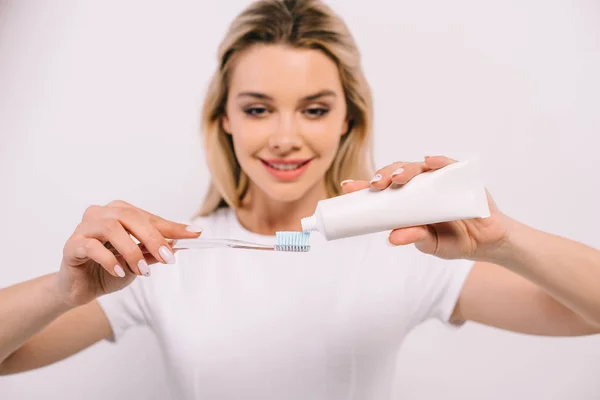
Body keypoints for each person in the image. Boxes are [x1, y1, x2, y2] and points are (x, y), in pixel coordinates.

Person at [1, 0, 599, 398]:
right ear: (226, 119)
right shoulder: (163, 257)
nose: (286, 137)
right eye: (258, 108)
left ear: (346, 119)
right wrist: (62, 291)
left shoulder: (402, 250)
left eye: (314, 109)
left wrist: (506, 241)